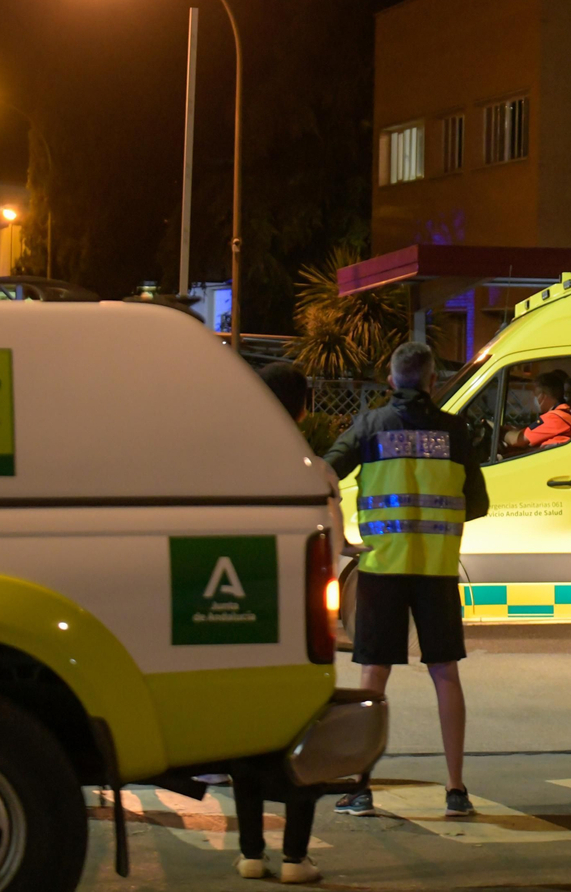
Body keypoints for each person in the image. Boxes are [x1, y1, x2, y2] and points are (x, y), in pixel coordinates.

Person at [323, 342, 488, 818]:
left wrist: (341, 540)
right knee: (445, 674)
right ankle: (456, 790)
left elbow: (323, 473)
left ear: (392, 381)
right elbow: (477, 504)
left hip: (381, 569)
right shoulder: (455, 431)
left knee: (373, 677)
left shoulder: (371, 427)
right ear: (433, 381)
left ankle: (362, 786)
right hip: (435, 571)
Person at [232, 360, 323, 882]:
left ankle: (250, 852)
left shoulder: (235, 458)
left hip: (246, 612)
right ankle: (294, 857)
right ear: (304, 407)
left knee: (246, 735)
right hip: (299, 617)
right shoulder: (304, 462)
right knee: (300, 736)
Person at [501, 369, 571, 450]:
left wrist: (499, 432)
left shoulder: (554, 418)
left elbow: (518, 440)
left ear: (543, 396)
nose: (534, 397)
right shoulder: (565, 412)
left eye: (536, 394)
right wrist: (516, 429)